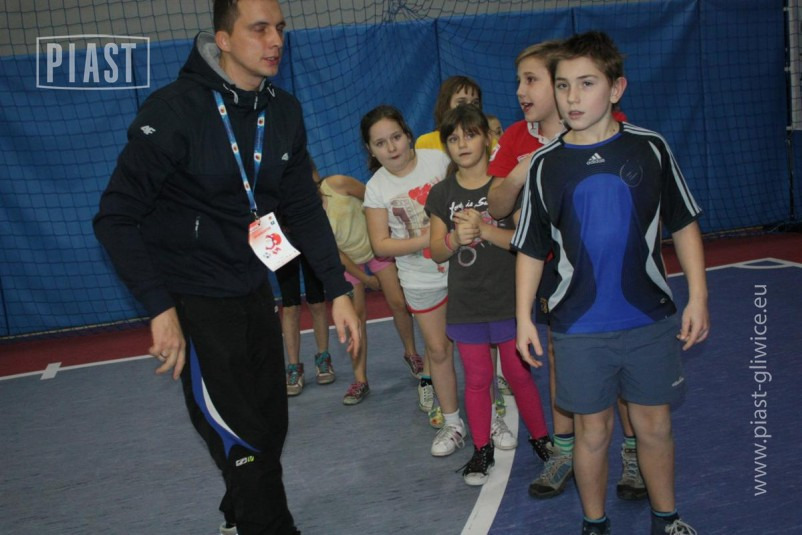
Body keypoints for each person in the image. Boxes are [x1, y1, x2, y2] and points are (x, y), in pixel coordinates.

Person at [92, 1, 360, 534]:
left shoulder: (284, 112)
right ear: (223, 39)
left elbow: (303, 209)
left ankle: (239, 512)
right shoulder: (175, 110)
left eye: (279, 28)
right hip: (193, 300)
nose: (275, 40)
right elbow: (115, 218)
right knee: (242, 443)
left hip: (252, 290)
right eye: (259, 29)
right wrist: (160, 308)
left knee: (270, 429)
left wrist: (338, 289)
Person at [513, 31, 709, 535]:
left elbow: (684, 223)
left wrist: (698, 297)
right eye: (563, 85)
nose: (572, 97)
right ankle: (594, 524)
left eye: (587, 83)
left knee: (655, 426)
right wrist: (523, 320)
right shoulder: (544, 165)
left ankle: (666, 520)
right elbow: (531, 248)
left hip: (649, 320)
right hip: (578, 328)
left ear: (616, 88)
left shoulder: (650, 148)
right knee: (592, 431)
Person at [486, 39, 644, 502]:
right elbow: (497, 205)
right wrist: (522, 171)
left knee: (621, 360)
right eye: (519, 81)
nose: (521, 91)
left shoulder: (608, 128)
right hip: (552, 271)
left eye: (531, 80)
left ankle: (632, 451)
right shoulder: (517, 136)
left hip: (607, 269)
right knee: (560, 357)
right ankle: (563, 451)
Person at [424, 104, 551, 486]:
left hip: (508, 300)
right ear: (446, 146)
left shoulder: (505, 187)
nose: (462, 144)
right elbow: (436, 250)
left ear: (487, 139)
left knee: (518, 373)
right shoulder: (442, 193)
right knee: (478, 379)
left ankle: (543, 441)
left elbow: (523, 240)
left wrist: (484, 230)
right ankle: (482, 450)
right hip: (467, 305)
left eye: (470, 135)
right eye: (453, 138)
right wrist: (454, 238)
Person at [361, 104, 465, 453]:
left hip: (464, 269)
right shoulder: (376, 188)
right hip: (420, 280)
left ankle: (492, 411)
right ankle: (452, 422)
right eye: (380, 143)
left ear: (408, 135)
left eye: (396, 137)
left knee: (480, 346)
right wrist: (429, 240)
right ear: (370, 149)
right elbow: (380, 244)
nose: (391, 148)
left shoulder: (439, 160)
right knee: (438, 349)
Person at [316, 169, 424, 404]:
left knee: (398, 303)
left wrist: (384, 236)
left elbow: (372, 200)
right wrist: (366, 280)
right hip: (349, 262)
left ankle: (411, 354)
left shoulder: (338, 183)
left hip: (376, 249)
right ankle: (360, 380)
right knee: (356, 317)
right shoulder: (308, 215)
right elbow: (336, 254)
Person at [275, 254, 334, 396]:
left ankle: (323, 358)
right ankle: (294, 368)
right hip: (284, 245)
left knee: (317, 302)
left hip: (309, 243)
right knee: (290, 307)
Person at [415, 75, 483, 151]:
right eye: (461, 102)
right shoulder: (426, 142)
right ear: (446, 105)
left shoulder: (488, 139)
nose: (470, 107)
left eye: (475, 103)